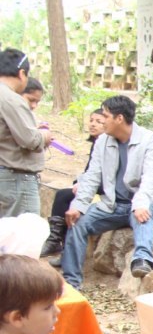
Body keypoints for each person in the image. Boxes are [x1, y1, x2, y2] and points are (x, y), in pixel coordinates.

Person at [61, 95, 153, 289]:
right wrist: (78, 205)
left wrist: (140, 203)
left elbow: (152, 177)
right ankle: (71, 282)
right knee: (77, 222)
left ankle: (142, 259)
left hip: (143, 202)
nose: (102, 121)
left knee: (142, 215)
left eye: (106, 116)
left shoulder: (149, 139)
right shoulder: (102, 141)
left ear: (119, 118)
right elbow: (92, 176)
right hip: (112, 205)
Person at [41, 108, 107, 264]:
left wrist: (84, 184)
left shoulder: (110, 145)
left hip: (107, 190)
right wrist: (80, 182)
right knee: (64, 195)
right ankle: (56, 241)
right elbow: (89, 171)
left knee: (66, 197)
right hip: (93, 186)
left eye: (99, 122)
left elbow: (105, 176)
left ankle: (61, 248)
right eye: (91, 120)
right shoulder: (96, 143)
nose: (93, 124)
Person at [0, 48, 51, 218]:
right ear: (22, 74)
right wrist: (44, 135)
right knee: (23, 231)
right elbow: (30, 140)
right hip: (16, 179)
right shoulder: (11, 99)